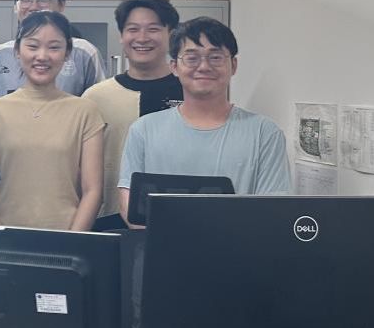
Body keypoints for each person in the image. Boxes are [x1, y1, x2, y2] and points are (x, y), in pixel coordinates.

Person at [118, 17, 291, 224]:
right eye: (191, 58)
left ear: (233, 65)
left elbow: (271, 210)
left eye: (215, 57)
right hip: (159, 245)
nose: (204, 66)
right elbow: (130, 204)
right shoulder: (144, 130)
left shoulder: (264, 133)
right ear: (174, 66)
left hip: (241, 245)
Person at [0, 12, 105, 231]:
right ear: (17, 51)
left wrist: (73, 240)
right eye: (33, 46)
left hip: (66, 237)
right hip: (3, 238)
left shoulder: (85, 112)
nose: (42, 56)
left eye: (54, 47)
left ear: (67, 53)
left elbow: (93, 190)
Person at [82, 0, 183, 228]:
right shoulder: (95, 98)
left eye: (153, 29)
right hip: (108, 220)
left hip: (178, 218)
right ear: (121, 35)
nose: (142, 38)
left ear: (171, 34)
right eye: (133, 29)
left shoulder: (189, 92)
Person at [0, 0, 104, 99]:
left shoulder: (84, 53)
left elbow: (97, 104)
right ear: (15, 6)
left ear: (62, 4)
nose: (34, 7)